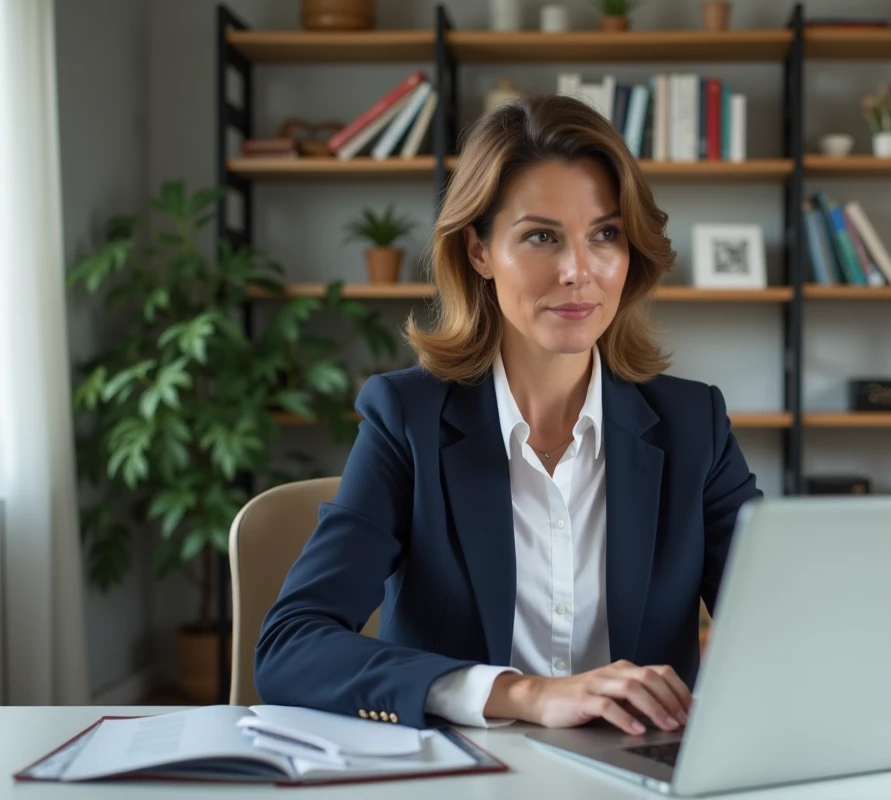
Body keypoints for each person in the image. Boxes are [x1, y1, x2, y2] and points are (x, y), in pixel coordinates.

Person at [254, 95, 763, 737]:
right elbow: (291, 647)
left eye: (605, 234)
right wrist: (522, 694)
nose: (579, 271)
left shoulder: (695, 424)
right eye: (541, 236)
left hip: (632, 775)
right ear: (479, 252)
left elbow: (780, 627)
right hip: (460, 773)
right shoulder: (408, 419)